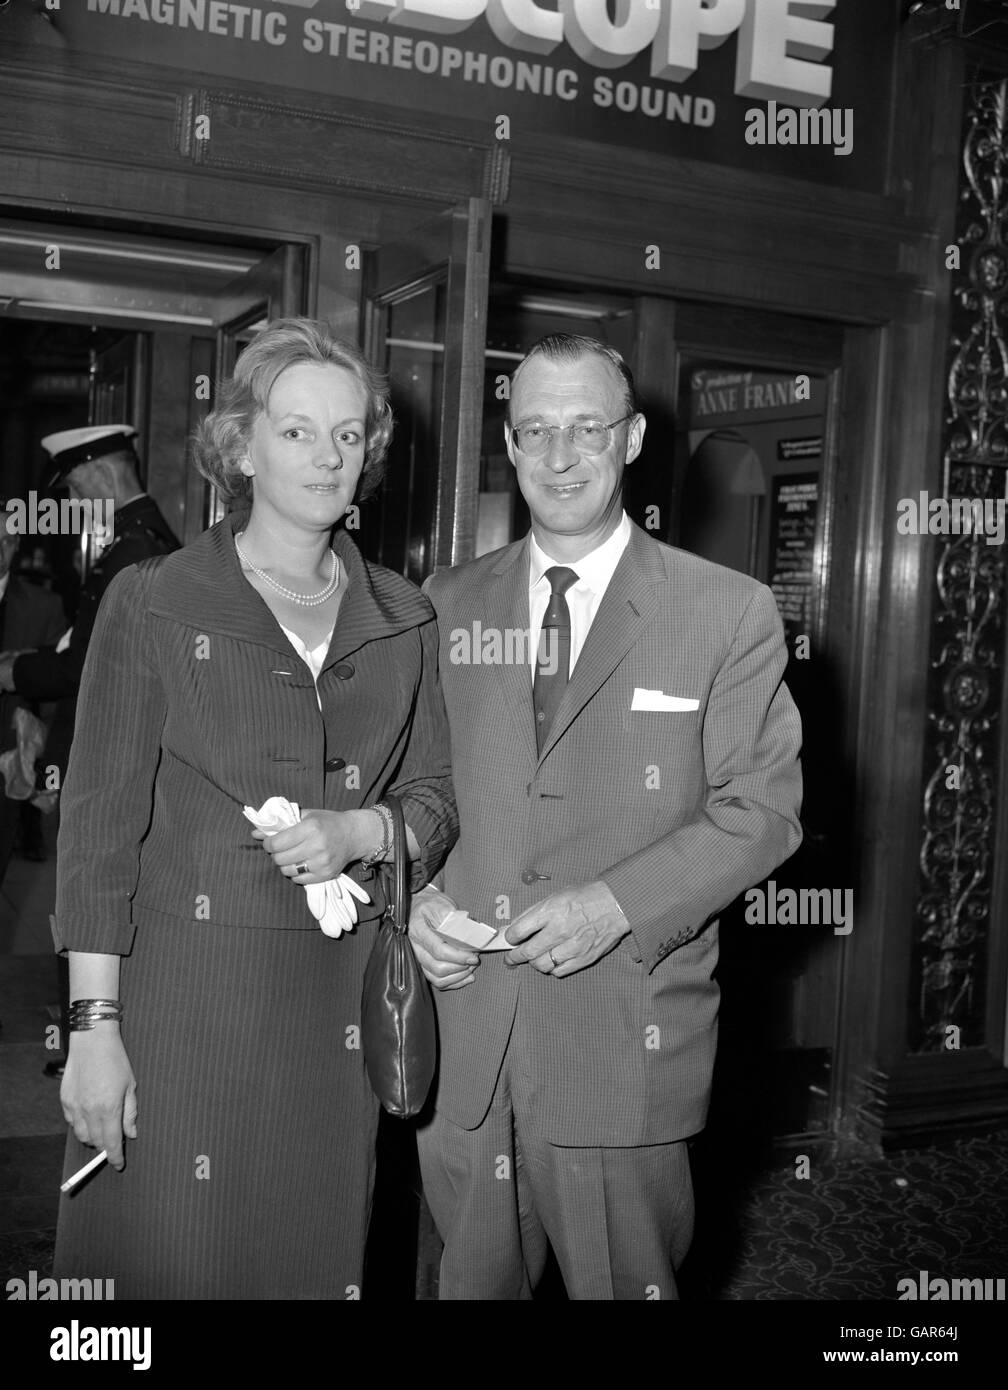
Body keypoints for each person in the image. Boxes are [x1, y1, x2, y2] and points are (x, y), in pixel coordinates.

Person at [51, 318, 457, 1299]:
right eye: (296, 431)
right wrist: (93, 1029)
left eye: (349, 434)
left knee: (306, 1260)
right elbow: (98, 827)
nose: (327, 455)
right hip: (177, 1004)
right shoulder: (152, 600)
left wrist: (364, 832)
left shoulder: (404, 616)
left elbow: (436, 800)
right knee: (161, 1264)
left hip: (329, 1012)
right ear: (240, 447)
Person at [409, 333, 803, 1300]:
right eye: (536, 430)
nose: (559, 456)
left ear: (630, 441)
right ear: (508, 442)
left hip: (621, 1040)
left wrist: (613, 905)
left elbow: (760, 815)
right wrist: (411, 899)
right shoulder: (446, 603)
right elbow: (417, 789)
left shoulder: (727, 611)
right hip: (469, 1034)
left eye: (587, 428)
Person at [0, 426, 180, 1078]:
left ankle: (90, 1047)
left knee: (85, 901)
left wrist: (18, 679)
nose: (75, 502)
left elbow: (88, 672)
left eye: (76, 488)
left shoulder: (134, 549)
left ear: (102, 477)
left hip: (109, 759)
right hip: (102, 751)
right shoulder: (136, 542)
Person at [0, 498, 65, 886]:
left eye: (5, 541)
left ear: (18, 542)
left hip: (9, 771)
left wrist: (48, 769)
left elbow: (61, 692)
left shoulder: (43, 607)